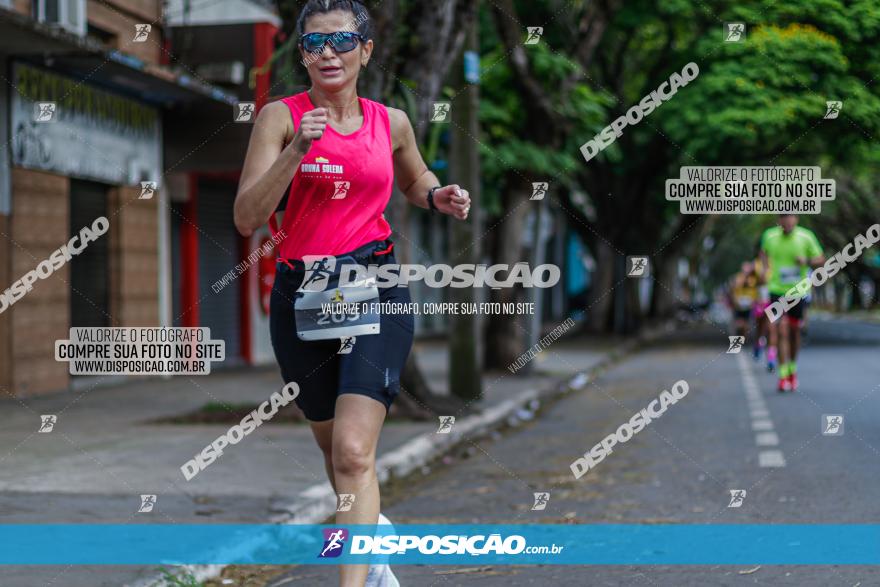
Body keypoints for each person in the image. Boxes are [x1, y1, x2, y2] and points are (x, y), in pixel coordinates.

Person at [233, 2, 471, 585]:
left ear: (366, 49)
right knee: (334, 454)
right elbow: (246, 218)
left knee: (353, 455)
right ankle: (372, 537)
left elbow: (415, 178)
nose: (328, 53)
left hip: (374, 286)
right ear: (302, 55)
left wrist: (437, 195)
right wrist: (295, 153)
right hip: (301, 295)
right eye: (314, 44)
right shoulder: (280, 118)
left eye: (342, 40)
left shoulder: (390, 122)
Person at [759, 215, 824, 392]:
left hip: (798, 291)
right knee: (780, 330)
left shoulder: (806, 236)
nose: (787, 221)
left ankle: (792, 370)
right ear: (778, 220)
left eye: (790, 217)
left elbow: (821, 259)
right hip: (777, 290)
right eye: (783, 217)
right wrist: (765, 269)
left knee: (794, 332)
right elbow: (763, 252)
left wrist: (807, 261)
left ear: (796, 219)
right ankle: (782, 375)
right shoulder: (769, 236)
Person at [727, 260, 758, 340]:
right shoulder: (738, 277)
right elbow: (732, 287)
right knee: (739, 324)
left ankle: (742, 339)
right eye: (745, 268)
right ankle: (739, 337)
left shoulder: (753, 279)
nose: (746, 270)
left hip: (749, 306)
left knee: (746, 325)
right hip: (738, 306)